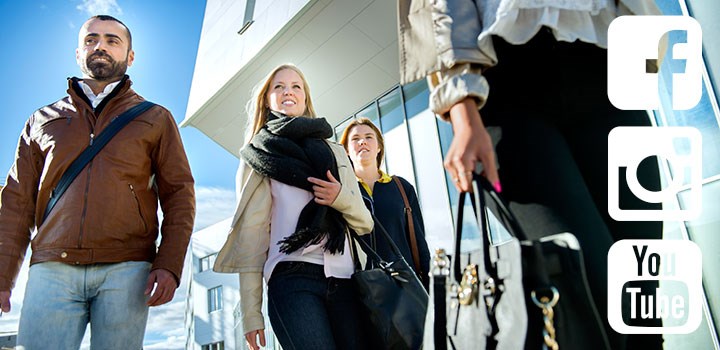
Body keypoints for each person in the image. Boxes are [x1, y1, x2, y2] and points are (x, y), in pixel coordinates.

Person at [397, 1, 664, 349]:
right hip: (507, 87)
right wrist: (461, 108)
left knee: (642, 296)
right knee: (586, 283)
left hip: (607, 73)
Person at [0, 15, 195, 349]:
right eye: (91, 40)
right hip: (52, 269)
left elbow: (179, 196)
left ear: (130, 56)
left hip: (128, 270)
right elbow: (16, 202)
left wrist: (170, 264)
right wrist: (3, 275)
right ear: (78, 53)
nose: (100, 46)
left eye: (111, 40)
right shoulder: (40, 120)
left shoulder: (156, 118)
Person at [213, 64, 373, 350]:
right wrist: (252, 314)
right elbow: (252, 238)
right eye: (279, 86)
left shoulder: (334, 150)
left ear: (305, 97)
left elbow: (365, 222)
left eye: (296, 86)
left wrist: (339, 197)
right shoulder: (256, 155)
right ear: (267, 98)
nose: (288, 91)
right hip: (291, 277)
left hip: (345, 278)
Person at [339, 118, 431, 289]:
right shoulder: (342, 191)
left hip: (405, 284)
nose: (362, 142)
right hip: (361, 288)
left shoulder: (401, 187)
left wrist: (429, 284)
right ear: (346, 151)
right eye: (355, 138)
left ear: (379, 146)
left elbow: (419, 242)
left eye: (368, 137)